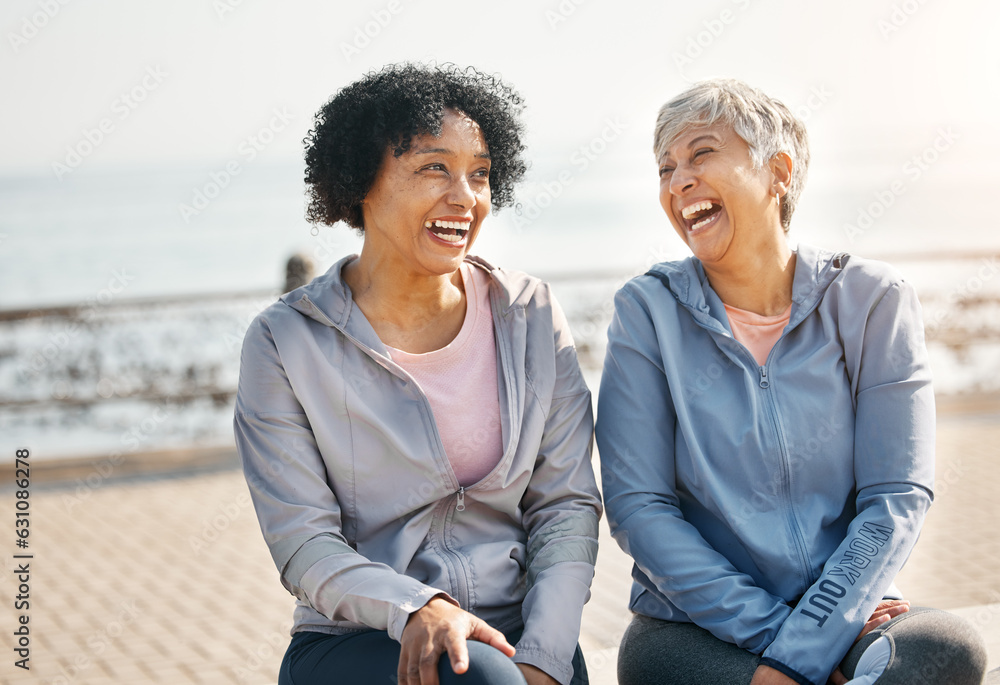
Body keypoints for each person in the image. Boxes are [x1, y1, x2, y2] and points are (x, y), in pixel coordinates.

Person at [595, 78, 988, 685]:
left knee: (945, 649)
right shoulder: (647, 310)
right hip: (696, 628)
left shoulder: (871, 300)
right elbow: (639, 508)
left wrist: (818, 629)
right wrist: (784, 640)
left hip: (845, 614)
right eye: (665, 168)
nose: (678, 183)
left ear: (777, 172)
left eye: (701, 154)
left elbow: (896, 496)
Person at [233, 63, 601, 685]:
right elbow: (303, 544)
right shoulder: (284, 341)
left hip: (515, 637)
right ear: (361, 184)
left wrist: (546, 653)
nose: (465, 196)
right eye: (434, 167)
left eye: (479, 173)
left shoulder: (530, 314)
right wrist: (416, 608)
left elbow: (565, 505)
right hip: (363, 638)